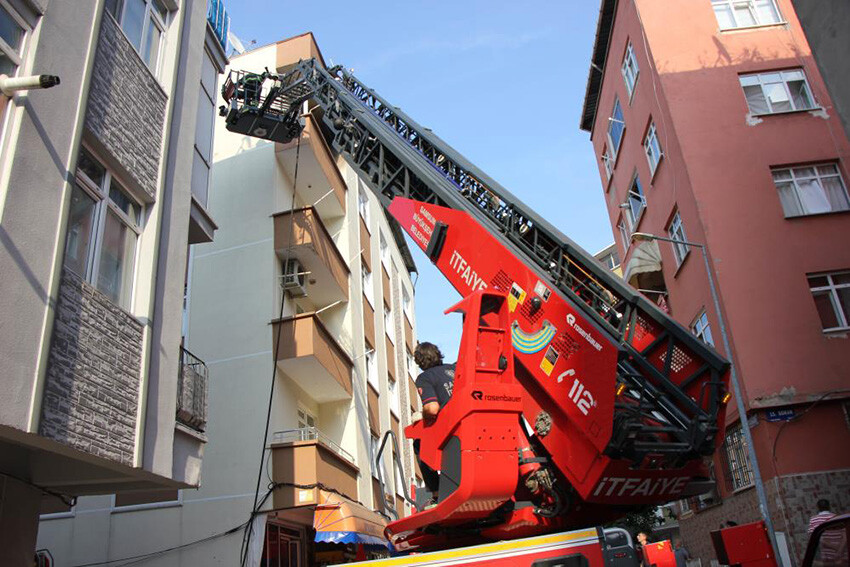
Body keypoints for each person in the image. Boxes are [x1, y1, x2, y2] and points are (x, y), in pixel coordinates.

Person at [412, 342, 455, 500]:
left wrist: (420, 415)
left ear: (420, 361)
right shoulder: (455, 369)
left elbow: (432, 408)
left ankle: (436, 493)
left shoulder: (425, 378)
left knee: (419, 442)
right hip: (471, 423)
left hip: (451, 430)